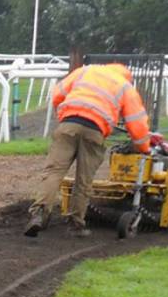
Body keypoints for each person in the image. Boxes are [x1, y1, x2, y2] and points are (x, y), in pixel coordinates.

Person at [25, 62, 152, 237]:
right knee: (83, 180)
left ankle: (39, 214)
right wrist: (144, 148)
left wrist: (64, 116)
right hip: (95, 131)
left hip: (68, 125)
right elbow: (136, 122)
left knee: (53, 172)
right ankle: (75, 224)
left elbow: (57, 94)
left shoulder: (85, 71)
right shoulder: (125, 86)